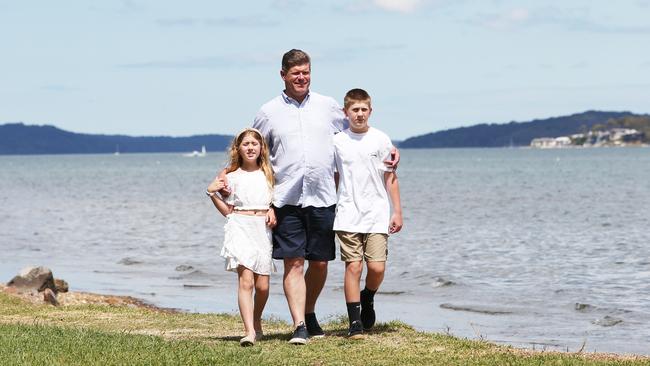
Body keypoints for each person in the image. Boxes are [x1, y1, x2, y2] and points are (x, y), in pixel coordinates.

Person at [221, 49, 399, 344]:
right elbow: (253, 149)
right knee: (294, 263)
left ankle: (310, 309)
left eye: (305, 72)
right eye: (295, 73)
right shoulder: (268, 112)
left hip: (323, 197)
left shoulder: (328, 107)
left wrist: (391, 152)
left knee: (319, 263)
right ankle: (300, 324)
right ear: (283, 75)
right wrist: (230, 177)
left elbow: (357, 136)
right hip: (285, 198)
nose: (301, 78)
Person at [332, 88, 403, 339]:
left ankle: (368, 296)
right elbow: (333, 176)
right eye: (355, 110)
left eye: (364, 110)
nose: (359, 114)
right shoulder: (338, 141)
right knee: (353, 267)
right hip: (348, 213)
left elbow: (390, 176)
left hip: (377, 212)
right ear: (346, 112)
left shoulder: (381, 139)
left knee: (377, 268)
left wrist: (397, 211)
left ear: (370, 111)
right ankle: (355, 323)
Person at [206, 128, 277, 347]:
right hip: (240, 227)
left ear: (261, 148)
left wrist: (273, 208)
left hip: (262, 230)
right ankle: (249, 331)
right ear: (238, 148)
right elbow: (228, 211)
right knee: (245, 281)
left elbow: (278, 198)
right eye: (245, 144)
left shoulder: (269, 174)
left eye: (254, 144)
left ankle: (256, 320)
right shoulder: (230, 175)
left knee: (263, 285)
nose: (250, 148)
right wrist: (211, 193)